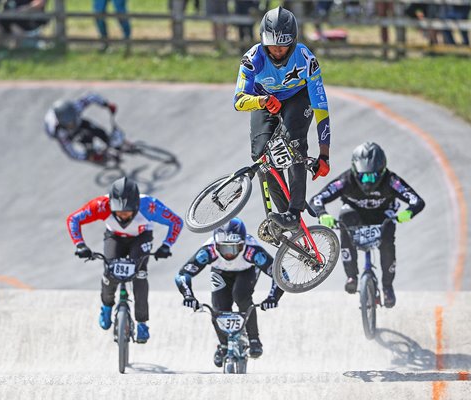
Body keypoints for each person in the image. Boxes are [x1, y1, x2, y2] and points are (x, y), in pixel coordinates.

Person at [233, 6, 332, 231]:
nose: (278, 51)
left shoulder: (306, 59)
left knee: (293, 143)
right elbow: (238, 100)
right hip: (262, 99)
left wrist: (324, 154)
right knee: (262, 156)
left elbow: (321, 108)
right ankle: (282, 214)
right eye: (272, 46)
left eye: (284, 46)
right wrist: (262, 101)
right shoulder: (252, 58)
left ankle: (294, 213)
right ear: (262, 41)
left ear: (294, 41)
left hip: (298, 97)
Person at [67, 177, 183, 343]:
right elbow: (73, 219)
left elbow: (176, 222)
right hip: (114, 237)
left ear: (136, 205)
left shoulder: (149, 206)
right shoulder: (101, 205)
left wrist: (166, 246)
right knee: (110, 272)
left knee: (140, 276)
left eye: (128, 211)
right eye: (118, 211)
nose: (122, 215)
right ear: (111, 205)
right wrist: (80, 245)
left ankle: (142, 322)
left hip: (141, 238)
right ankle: (107, 306)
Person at [309, 142, 425, 308]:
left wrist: (408, 213)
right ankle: (352, 277)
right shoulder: (345, 180)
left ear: (383, 170)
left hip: (382, 218)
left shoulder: (391, 181)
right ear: (355, 171)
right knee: (344, 220)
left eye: (373, 176)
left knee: (388, 237)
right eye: (364, 176)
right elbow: (316, 199)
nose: (368, 181)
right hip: (355, 218)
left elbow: (417, 201)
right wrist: (323, 215)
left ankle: (387, 286)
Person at [175, 218, 283, 367]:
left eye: (234, 248)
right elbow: (182, 274)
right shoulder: (208, 250)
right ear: (216, 245)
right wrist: (188, 295)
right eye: (224, 248)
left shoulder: (253, 250)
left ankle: (253, 339)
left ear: (243, 244)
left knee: (241, 296)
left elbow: (280, 275)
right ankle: (223, 345)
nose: (229, 254)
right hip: (220, 271)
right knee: (218, 307)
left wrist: (273, 297)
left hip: (247, 271)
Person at [44, 93, 122, 163]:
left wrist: (106, 104)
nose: (72, 125)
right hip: (66, 132)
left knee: (98, 130)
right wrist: (88, 157)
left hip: (78, 122)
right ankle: (92, 149)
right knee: (85, 142)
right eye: (69, 124)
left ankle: (108, 140)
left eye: (73, 121)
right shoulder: (60, 133)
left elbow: (92, 97)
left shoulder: (76, 107)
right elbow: (72, 153)